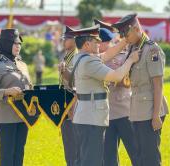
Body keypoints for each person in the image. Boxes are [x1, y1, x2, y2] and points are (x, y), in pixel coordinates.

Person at [70, 24, 139, 166]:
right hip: (92, 118)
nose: (99, 43)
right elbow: (116, 76)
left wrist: (125, 40)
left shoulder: (80, 57)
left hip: (86, 115)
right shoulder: (89, 61)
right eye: (96, 41)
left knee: (87, 158)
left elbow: (107, 55)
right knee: (92, 161)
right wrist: (131, 60)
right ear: (87, 44)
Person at [112, 13, 169, 166]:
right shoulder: (133, 49)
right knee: (140, 156)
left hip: (150, 110)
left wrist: (156, 115)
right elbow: (129, 81)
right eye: (122, 34)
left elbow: (158, 85)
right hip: (136, 109)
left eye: (126, 34)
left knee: (150, 157)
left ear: (136, 29)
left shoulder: (151, 50)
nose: (125, 38)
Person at [94, 19, 139, 166]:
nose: (97, 45)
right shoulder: (95, 60)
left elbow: (129, 80)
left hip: (124, 112)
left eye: (99, 41)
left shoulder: (124, 55)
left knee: (135, 153)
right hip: (106, 114)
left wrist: (114, 79)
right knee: (108, 158)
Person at [0, 29, 32, 166]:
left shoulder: (23, 65)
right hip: (5, 117)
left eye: (19, 43)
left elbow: (29, 85)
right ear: (6, 44)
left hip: (23, 115)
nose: (18, 46)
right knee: (7, 155)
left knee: (19, 153)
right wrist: (7, 91)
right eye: (14, 43)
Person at [59, 25, 78, 166]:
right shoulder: (67, 56)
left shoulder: (76, 57)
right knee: (69, 146)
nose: (64, 41)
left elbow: (75, 84)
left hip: (73, 107)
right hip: (65, 105)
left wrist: (72, 107)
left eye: (67, 39)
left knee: (74, 148)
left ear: (74, 40)